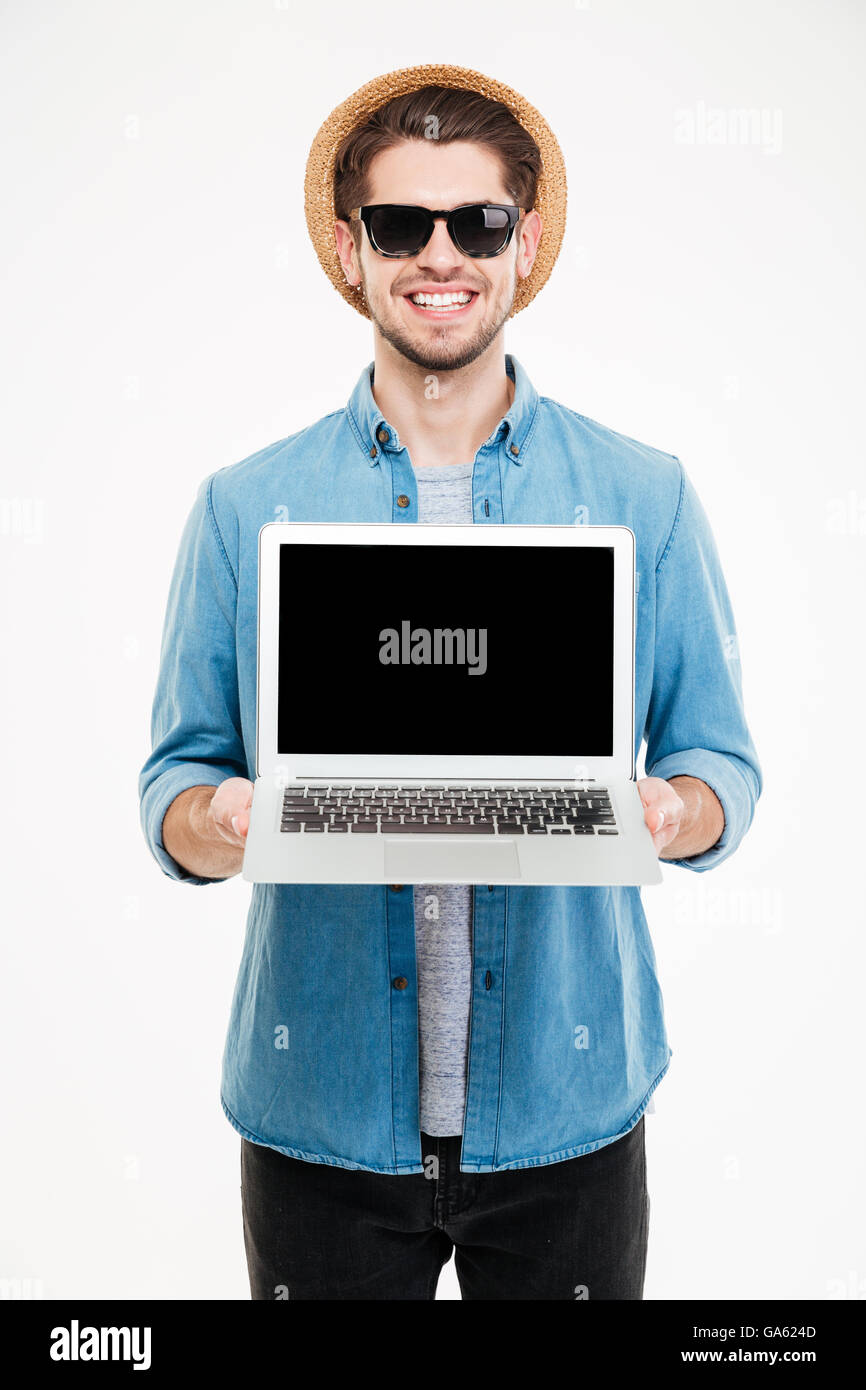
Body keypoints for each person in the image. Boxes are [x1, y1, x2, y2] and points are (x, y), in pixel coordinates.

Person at [139, 64, 762, 1300]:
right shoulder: (242, 507)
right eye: (398, 224)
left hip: (566, 1117)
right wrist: (217, 820)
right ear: (348, 247)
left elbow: (720, 764)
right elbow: (174, 780)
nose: (440, 255)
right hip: (317, 1117)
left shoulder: (646, 497)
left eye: (475, 223)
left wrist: (666, 812)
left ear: (522, 246)